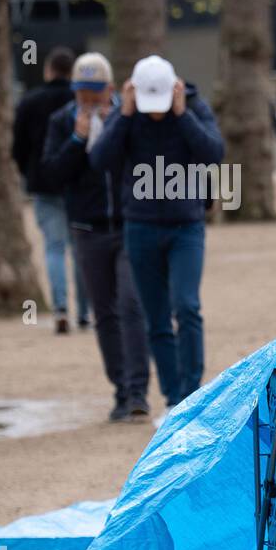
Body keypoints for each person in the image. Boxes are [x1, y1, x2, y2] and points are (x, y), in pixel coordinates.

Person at [90, 55, 224, 414]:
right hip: (141, 226)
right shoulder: (127, 114)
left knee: (187, 305)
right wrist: (125, 114)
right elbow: (99, 159)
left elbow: (214, 153)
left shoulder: (193, 107)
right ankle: (173, 398)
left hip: (186, 226)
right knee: (156, 317)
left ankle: (192, 393)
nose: (156, 112)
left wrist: (183, 115)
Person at [42, 53, 151, 422]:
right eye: (81, 93)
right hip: (87, 229)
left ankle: (138, 391)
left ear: (109, 89)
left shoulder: (128, 117)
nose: (88, 101)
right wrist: (77, 139)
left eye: (95, 92)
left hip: (128, 224)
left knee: (131, 304)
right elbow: (52, 174)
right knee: (103, 312)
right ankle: (121, 390)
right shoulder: (61, 121)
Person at [11, 45, 90, 334]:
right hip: (77, 184)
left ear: (48, 70)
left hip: (44, 184)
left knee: (54, 248)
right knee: (80, 247)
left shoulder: (30, 102)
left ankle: (59, 307)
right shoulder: (80, 101)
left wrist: (27, 172)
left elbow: (18, 146)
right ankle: (84, 312)